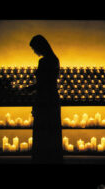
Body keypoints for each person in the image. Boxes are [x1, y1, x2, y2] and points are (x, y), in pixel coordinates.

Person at [26, 35, 63, 164]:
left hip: (44, 100)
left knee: (42, 132)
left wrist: (28, 90)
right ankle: (54, 159)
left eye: (34, 48)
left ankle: (41, 159)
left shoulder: (43, 62)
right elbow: (49, 82)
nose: (34, 52)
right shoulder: (55, 60)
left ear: (40, 46)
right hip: (53, 98)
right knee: (52, 131)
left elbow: (42, 84)